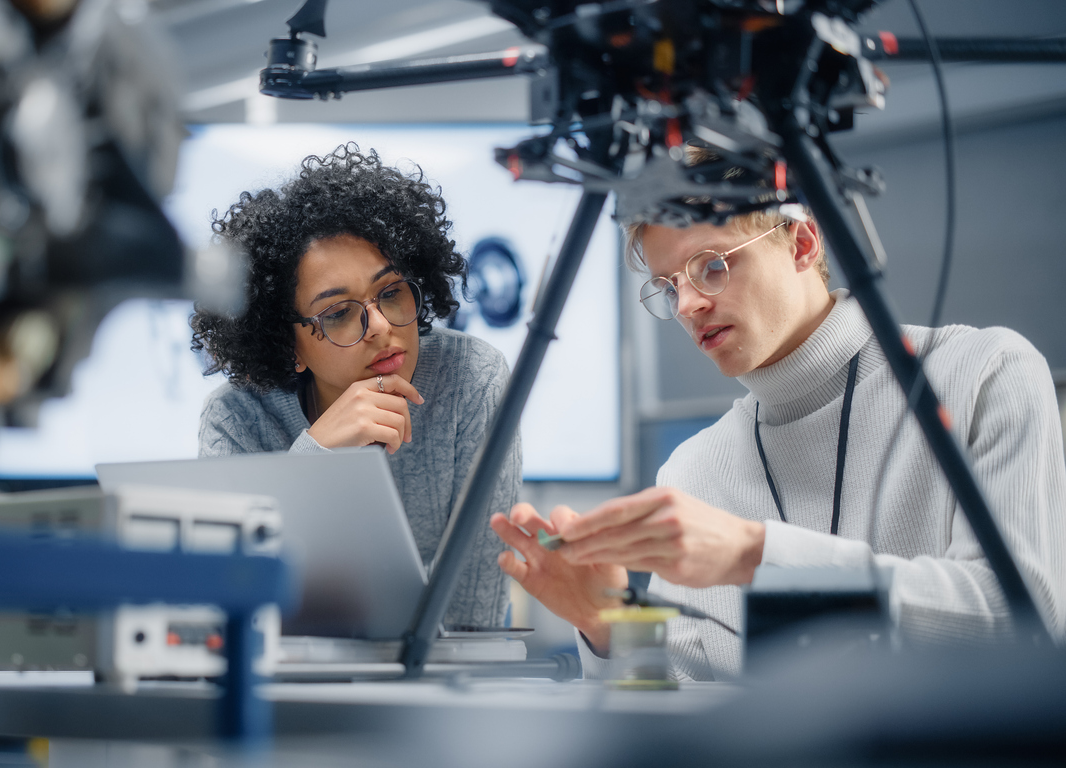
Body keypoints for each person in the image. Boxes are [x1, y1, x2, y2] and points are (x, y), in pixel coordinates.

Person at [491, 178, 1066, 680]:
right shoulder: (693, 470)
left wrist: (755, 554)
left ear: (803, 243)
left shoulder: (984, 373)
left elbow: (1022, 621)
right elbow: (688, 708)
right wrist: (608, 627)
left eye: (711, 266)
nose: (688, 304)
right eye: (669, 286)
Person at [193, 144, 519, 630]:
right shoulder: (237, 418)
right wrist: (317, 453)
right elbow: (222, 611)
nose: (381, 327)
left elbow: (475, 619)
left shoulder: (471, 379)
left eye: (391, 292)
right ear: (291, 347)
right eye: (339, 314)